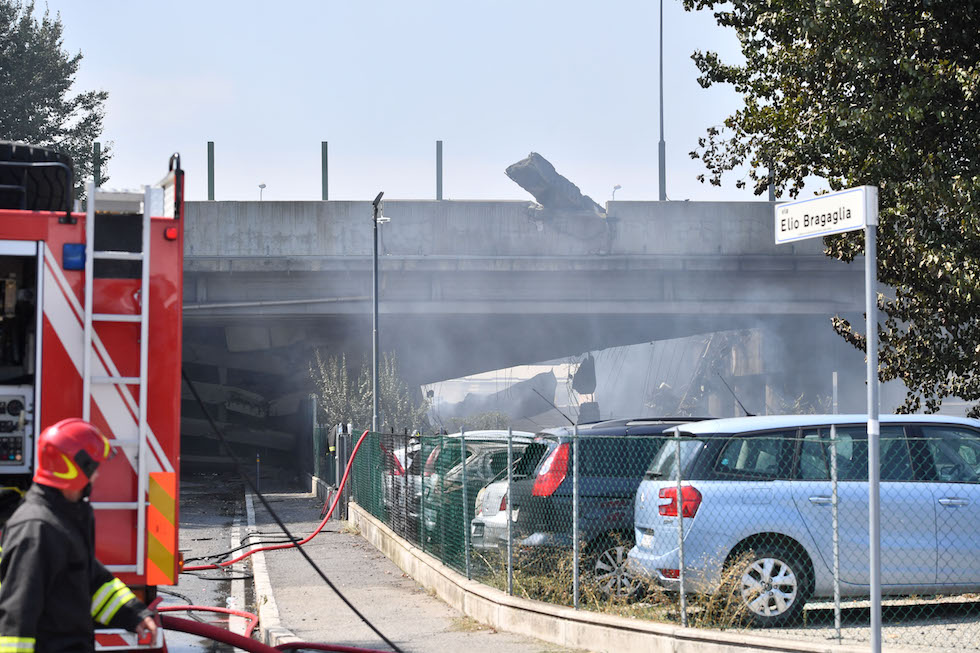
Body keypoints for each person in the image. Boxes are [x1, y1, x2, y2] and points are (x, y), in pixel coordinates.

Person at [0, 418, 158, 652]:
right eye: (94, 468)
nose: (97, 476)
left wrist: (134, 615)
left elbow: (91, 583)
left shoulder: (66, 518)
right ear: (75, 468)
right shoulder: (35, 529)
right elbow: (17, 621)